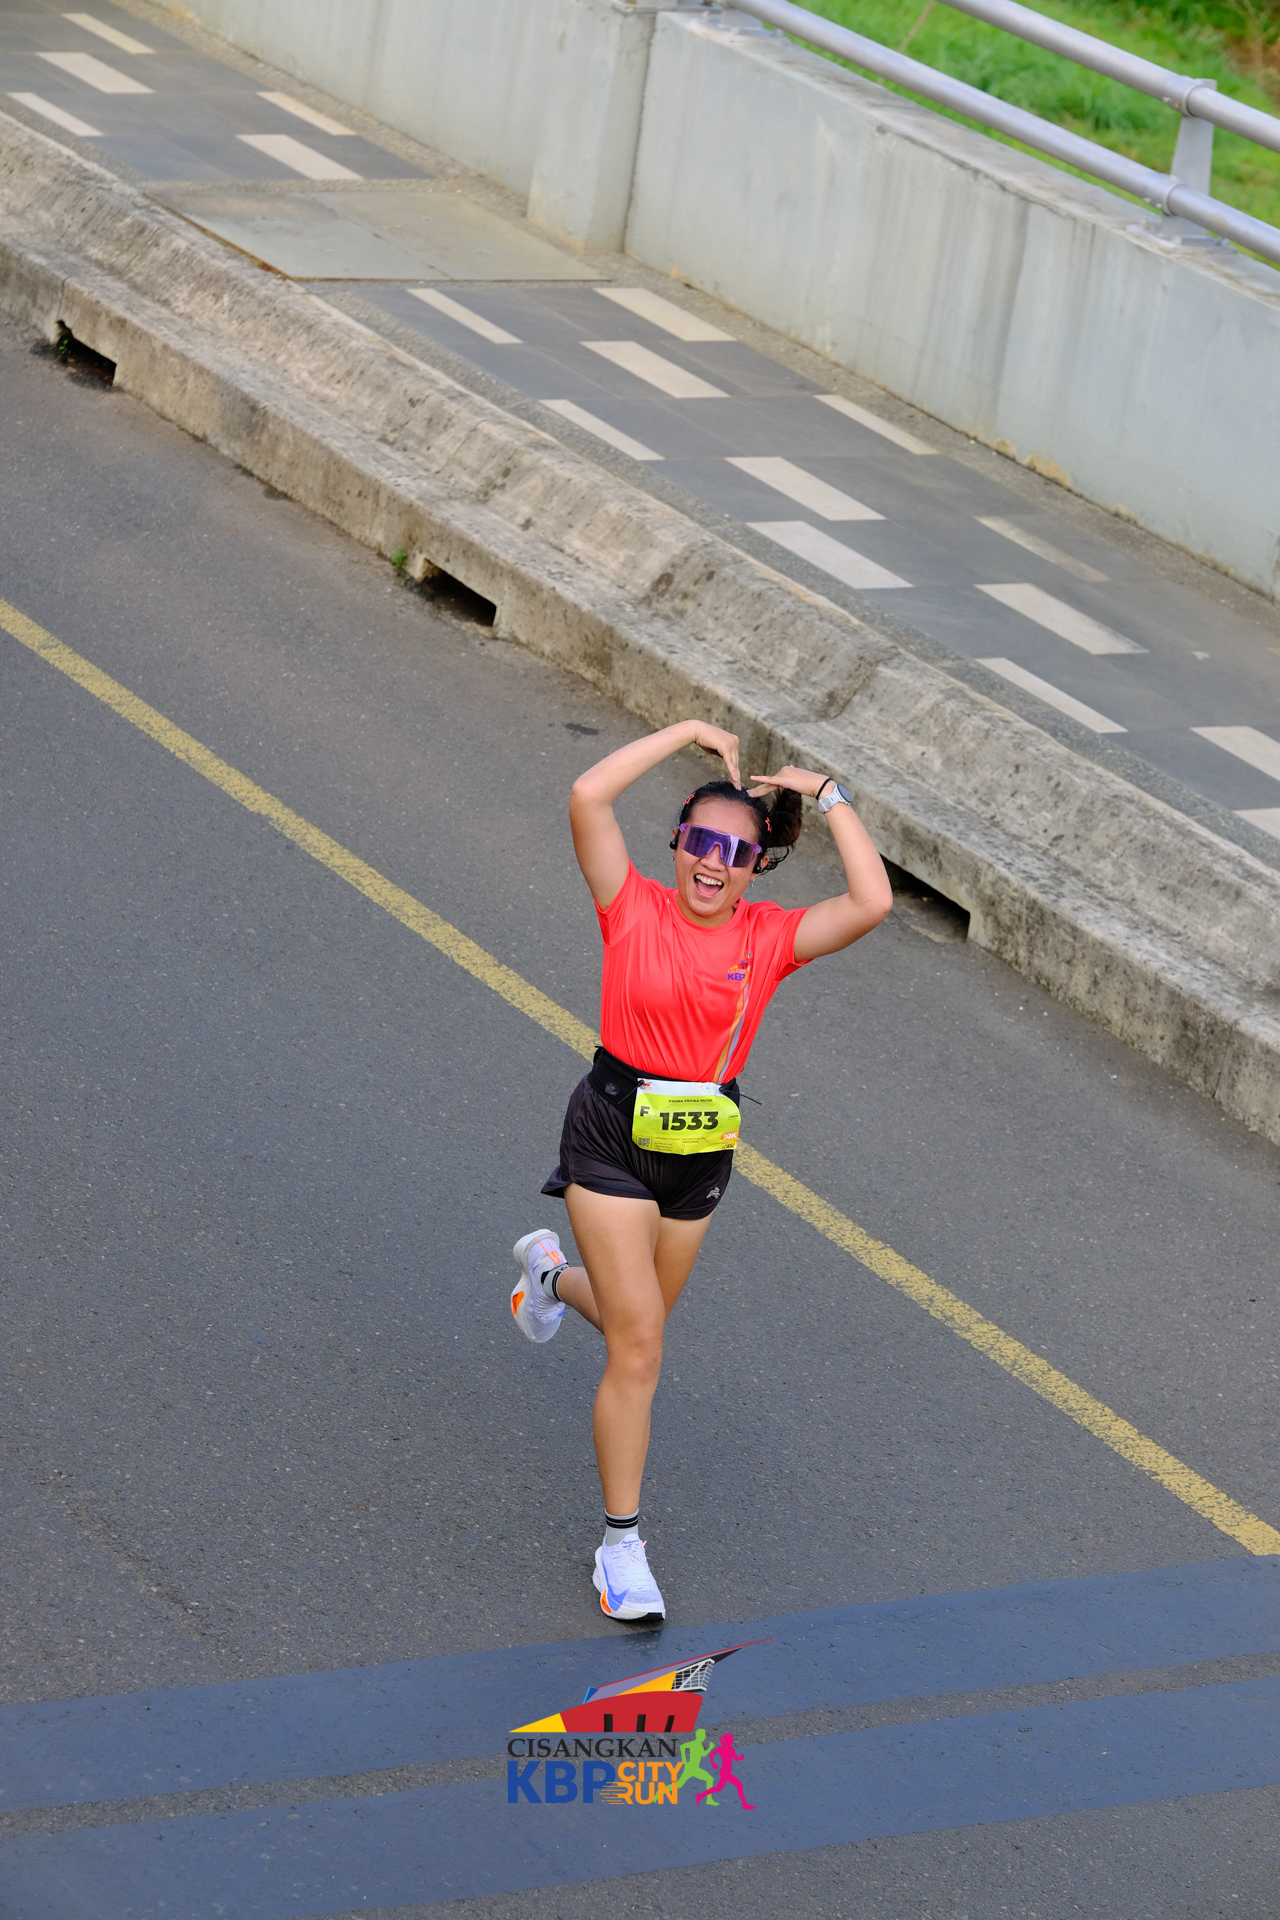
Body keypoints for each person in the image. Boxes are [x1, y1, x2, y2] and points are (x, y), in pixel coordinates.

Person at [509, 719, 893, 1620]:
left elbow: (872, 901)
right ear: (678, 844)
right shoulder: (629, 904)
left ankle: (550, 1280)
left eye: (736, 852)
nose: (714, 864)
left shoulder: (771, 938)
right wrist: (685, 729)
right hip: (611, 1136)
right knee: (641, 1344)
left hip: (699, 1156)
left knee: (634, 1326)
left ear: (757, 866)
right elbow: (588, 795)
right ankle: (621, 1550)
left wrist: (827, 794)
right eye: (700, 843)